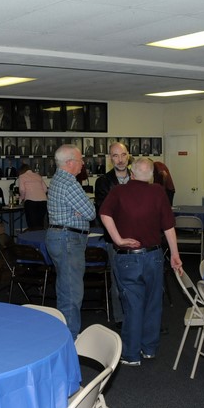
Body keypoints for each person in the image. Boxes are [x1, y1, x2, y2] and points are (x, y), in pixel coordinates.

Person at [99, 157, 182, 365]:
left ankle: (131, 354)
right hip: (154, 256)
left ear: (132, 173)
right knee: (154, 303)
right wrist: (175, 254)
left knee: (132, 306)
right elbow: (168, 226)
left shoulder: (118, 191)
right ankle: (149, 349)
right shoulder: (158, 192)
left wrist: (118, 239)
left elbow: (104, 213)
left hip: (128, 258)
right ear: (151, 175)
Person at [45, 144, 96, 338]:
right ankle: (70, 339)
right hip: (68, 240)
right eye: (80, 159)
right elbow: (90, 212)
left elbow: (84, 211)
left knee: (65, 289)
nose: (83, 163)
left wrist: (79, 211)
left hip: (59, 237)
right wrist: (81, 211)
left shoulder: (57, 179)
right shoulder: (70, 183)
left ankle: (63, 334)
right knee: (72, 293)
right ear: (70, 162)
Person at [94, 141, 132, 325]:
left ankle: (137, 316)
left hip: (138, 236)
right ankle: (120, 318)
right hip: (114, 238)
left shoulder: (138, 178)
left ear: (128, 155)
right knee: (117, 279)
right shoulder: (103, 182)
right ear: (111, 159)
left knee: (137, 279)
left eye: (123, 155)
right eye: (116, 156)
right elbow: (104, 211)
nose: (120, 160)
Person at [16, 164, 47, 230]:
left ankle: (33, 236)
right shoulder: (38, 175)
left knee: (32, 225)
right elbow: (45, 189)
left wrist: (21, 198)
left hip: (31, 202)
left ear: (21, 171)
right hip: (43, 202)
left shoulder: (22, 176)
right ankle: (40, 236)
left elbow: (22, 190)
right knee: (40, 224)